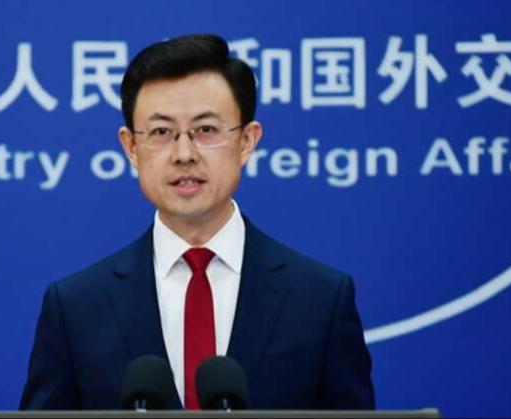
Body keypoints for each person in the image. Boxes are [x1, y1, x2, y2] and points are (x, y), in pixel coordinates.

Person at [20, 34, 374, 410]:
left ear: (247, 141)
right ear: (131, 147)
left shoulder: (320, 300)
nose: (184, 154)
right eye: (161, 132)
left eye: (206, 130)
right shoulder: (76, 308)